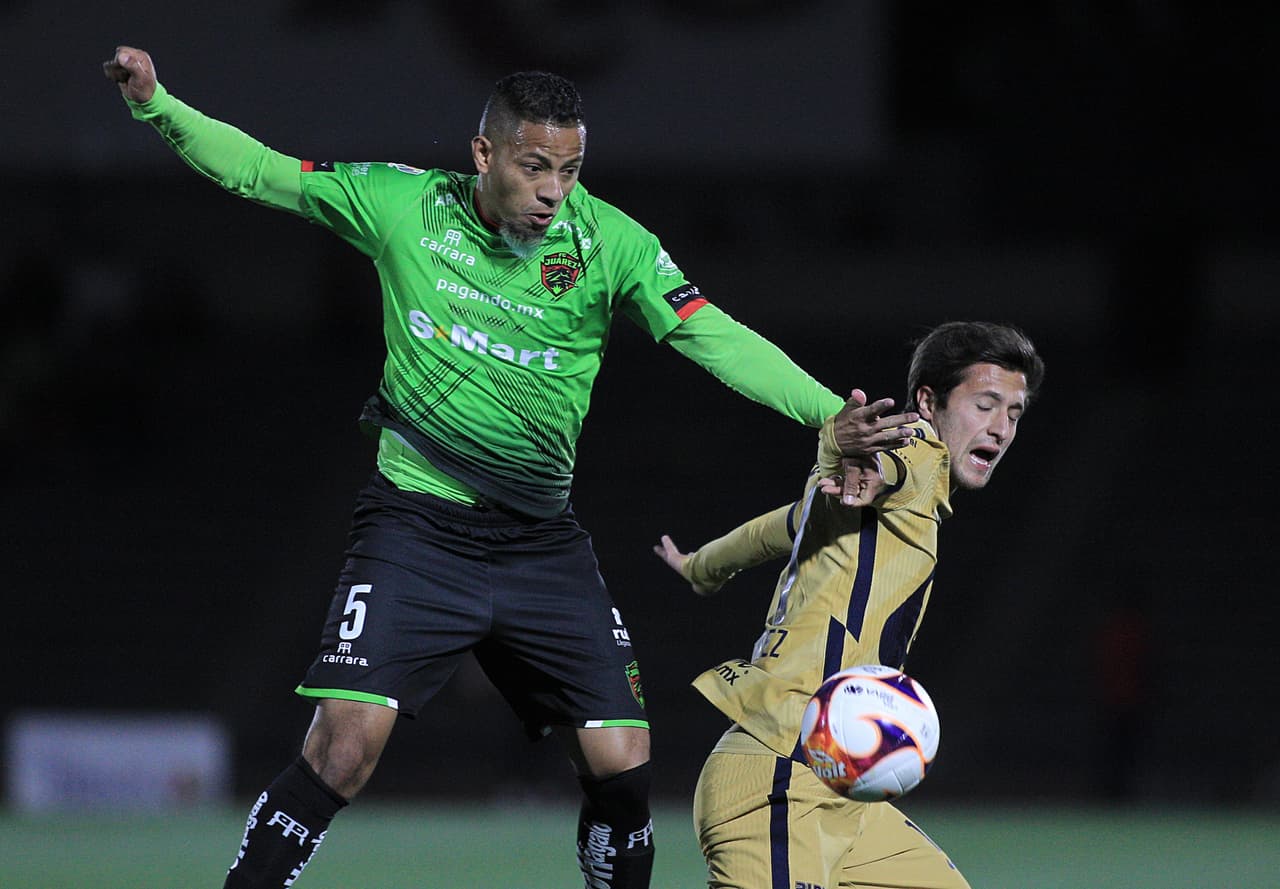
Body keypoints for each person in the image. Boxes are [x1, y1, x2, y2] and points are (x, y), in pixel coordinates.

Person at [102, 45, 856, 889]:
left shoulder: (609, 242)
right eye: (535, 166)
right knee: (344, 747)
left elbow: (708, 331)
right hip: (415, 525)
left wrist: (829, 410)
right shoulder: (401, 204)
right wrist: (157, 103)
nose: (553, 190)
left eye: (570, 170)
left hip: (541, 541)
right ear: (484, 153)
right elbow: (260, 172)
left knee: (623, 759)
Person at [654, 321, 1045, 889]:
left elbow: (780, 526)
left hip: (844, 797)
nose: (1001, 428)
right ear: (928, 402)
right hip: (780, 781)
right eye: (985, 405)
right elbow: (882, 465)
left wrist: (702, 566)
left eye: (1013, 413)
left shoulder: (879, 506)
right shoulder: (914, 454)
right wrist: (848, 455)